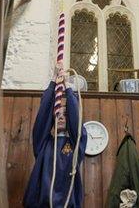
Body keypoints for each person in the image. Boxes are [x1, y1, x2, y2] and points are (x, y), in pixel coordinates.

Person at [23, 76, 87, 207]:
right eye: (58, 114)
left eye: (65, 114)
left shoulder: (76, 146)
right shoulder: (43, 144)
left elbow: (77, 124)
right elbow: (42, 117)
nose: (61, 117)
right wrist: (53, 83)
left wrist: (68, 89)